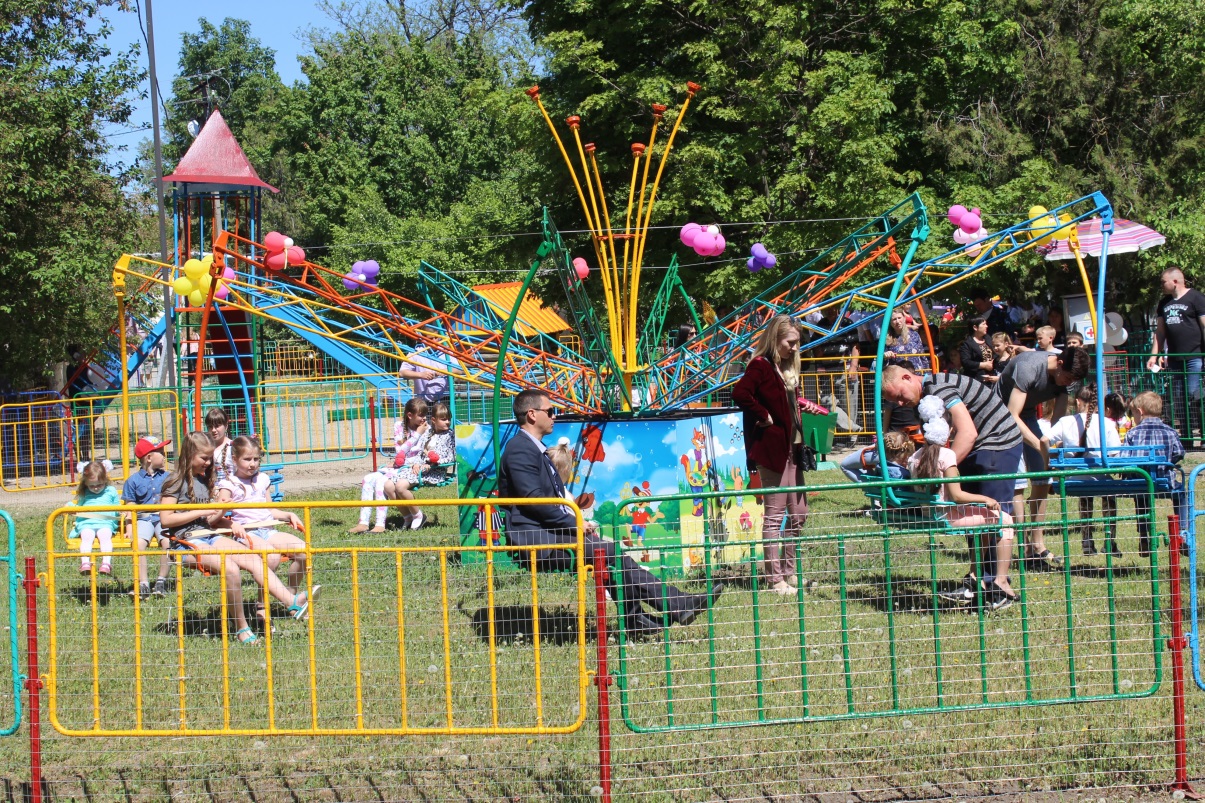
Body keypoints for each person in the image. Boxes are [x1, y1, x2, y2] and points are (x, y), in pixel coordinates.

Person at [498, 389, 721, 640]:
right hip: (537, 539)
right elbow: (534, 501)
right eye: (550, 411)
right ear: (531, 414)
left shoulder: (533, 449)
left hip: (551, 532)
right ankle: (671, 606)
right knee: (608, 552)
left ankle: (640, 617)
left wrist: (575, 523)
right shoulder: (520, 449)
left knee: (609, 554)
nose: (554, 416)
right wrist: (574, 523)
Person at [880, 364, 1023, 602]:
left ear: (907, 377)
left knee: (995, 512)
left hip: (998, 442)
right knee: (975, 514)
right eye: (895, 402)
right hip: (975, 447)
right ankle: (977, 580)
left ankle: (997, 585)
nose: (901, 404)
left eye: (900, 396)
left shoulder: (939, 389)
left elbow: (968, 433)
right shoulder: (924, 400)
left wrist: (943, 469)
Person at [159, 432, 316, 645]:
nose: (208, 463)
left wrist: (229, 521)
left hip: (208, 535)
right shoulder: (174, 482)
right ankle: (242, 627)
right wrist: (201, 511)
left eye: (210, 458)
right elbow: (166, 519)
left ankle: (292, 602)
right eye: (204, 458)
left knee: (254, 560)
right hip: (185, 541)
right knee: (230, 568)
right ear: (189, 454)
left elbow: (209, 521)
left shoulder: (204, 480)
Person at [908, 400, 1017, 610]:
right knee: (1005, 520)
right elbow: (957, 496)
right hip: (947, 517)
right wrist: (984, 499)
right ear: (950, 431)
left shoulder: (915, 457)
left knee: (985, 522)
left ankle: (975, 576)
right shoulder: (946, 455)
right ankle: (1001, 581)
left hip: (930, 514)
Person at [733, 315, 813, 594]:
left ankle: (790, 573)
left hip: (793, 449)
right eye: (790, 342)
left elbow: (779, 399)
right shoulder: (761, 365)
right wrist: (763, 415)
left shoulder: (787, 368)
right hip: (772, 451)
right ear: (775, 339)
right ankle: (775, 579)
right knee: (775, 515)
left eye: (797, 343)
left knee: (799, 513)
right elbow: (741, 393)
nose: (794, 348)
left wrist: (800, 404)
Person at [997, 345, 1091, 567]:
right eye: (1067, 378)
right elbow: (1012, 415)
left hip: (1027, 416)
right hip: (1001, 416)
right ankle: (1024, 548)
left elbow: (1057, 421)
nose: (1069, 383)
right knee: (1018, 482)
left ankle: (1038, 544)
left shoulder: (1064, 378)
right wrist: (1041, 446)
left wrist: (1052, 445)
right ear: (1059, 364)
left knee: (1043, 476)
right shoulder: (1028, 367)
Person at [215, 435, 316, 624]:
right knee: (271, 557)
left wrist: (288, 515)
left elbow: (270, 510)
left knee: (303, 551)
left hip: (268, 530)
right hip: (247, 533)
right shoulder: (228, 484)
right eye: (247, 459)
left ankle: (291, 594)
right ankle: (262, 605)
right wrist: (232, 525)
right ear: (235, 459)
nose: (252, 464)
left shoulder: (262, 479)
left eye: (256, 459)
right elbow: (216, 516)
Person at [1047, 385, 1121, 556]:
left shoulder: (1066, 422)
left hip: (1073, 480)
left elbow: (1045, 439)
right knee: (1109, 490)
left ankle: (1087, 541)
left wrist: (1048, 464)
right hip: (1100, 478)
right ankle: (1110, 540)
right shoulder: (1107, 423)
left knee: (1085, 494)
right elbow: (1115, 453)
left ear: (1078, 402)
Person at [350, 398, 429, 534]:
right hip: (399, 465)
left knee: (381, 481)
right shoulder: (399, 426)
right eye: (421, 415)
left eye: (425, 415)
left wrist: (417, 434)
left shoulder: (426, 429)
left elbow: (421, 453)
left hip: (410, 467)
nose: (424, 418)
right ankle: (363, 522)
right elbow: (400, 451)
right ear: (410, 415)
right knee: (367, 479)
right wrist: (416, 436)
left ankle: (380, 524)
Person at [1125, 392, 1189, 557]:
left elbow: (1125, 458)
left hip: (1140, 483)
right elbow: (1179, 452)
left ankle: (1144, 535)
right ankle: (1182, 531)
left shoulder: (1132, 433)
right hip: (1165, 481)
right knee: (1181, 495)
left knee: (1141, 498)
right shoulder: (1170, 432)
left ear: (1140, 411)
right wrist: (1169, 462)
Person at [1147, 267, 1205, 446]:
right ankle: (1186, 438)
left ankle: (1203, 435)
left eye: (1163, 282)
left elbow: (1204, 326)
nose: (1161, 285)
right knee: (1179, 400)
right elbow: (1160, 332)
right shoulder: (1164, 303)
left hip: (1195, 356)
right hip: (1174, 359)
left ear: (1175, 281)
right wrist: (1154, 355)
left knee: (1194, 396)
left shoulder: (1196, 298)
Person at [386, 400, 456, 530]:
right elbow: (420, 452)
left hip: (434, 471)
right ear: (434, 420)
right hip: (420, 468)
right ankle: (407, 517)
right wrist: (417, 463)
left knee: (400, 487)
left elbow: (451, 457)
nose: (447, 422)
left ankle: (418, 515)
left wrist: (434, 463)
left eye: (448, 419)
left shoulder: (450, 435)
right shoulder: (428, 433)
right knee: (388, 486)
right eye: (443, 419)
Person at [123, 436, 172, 598]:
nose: (164, 455)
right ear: (149, 457)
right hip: (143, 519)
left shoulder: (168, 477)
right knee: (138, 545)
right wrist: (130, 528)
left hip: (162, 517)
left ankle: (161, 581)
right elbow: (130, 508)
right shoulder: (133, 481)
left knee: (168, 543)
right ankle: (143, 583)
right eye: (161, 452)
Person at [70, 460, 121, 576]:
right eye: (92, 486)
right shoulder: (85, 492)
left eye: (99, 485)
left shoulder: (110, 491)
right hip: (87, 522)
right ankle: (85, 562)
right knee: (86, 537)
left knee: (105, 536)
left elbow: (117, 507)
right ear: (86, 483)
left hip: (105, 522)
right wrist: (70, 507)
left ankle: (106, 563)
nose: (96, 488)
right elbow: (79, 507)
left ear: (105, 480)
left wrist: (121, 512)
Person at [839, 430, 914, 483]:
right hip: (901, 497)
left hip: (881, 493)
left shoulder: (879, 468)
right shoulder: (904, 474)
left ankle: (871, 488)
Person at [959, 315, 996, 383]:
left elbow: (995, 352)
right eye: (984, 324)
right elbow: (966, 362)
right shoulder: (967, 344)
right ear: (975, 327)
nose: (986, 326)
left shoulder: (988, 338)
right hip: (976, 379)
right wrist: (983, 365)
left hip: (992, 377)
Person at [205, 408, 236, 484]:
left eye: (217, 426)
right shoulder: (205, 447)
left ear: (226, 426)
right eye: (210, 426)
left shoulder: (232, 446)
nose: (213, 430)